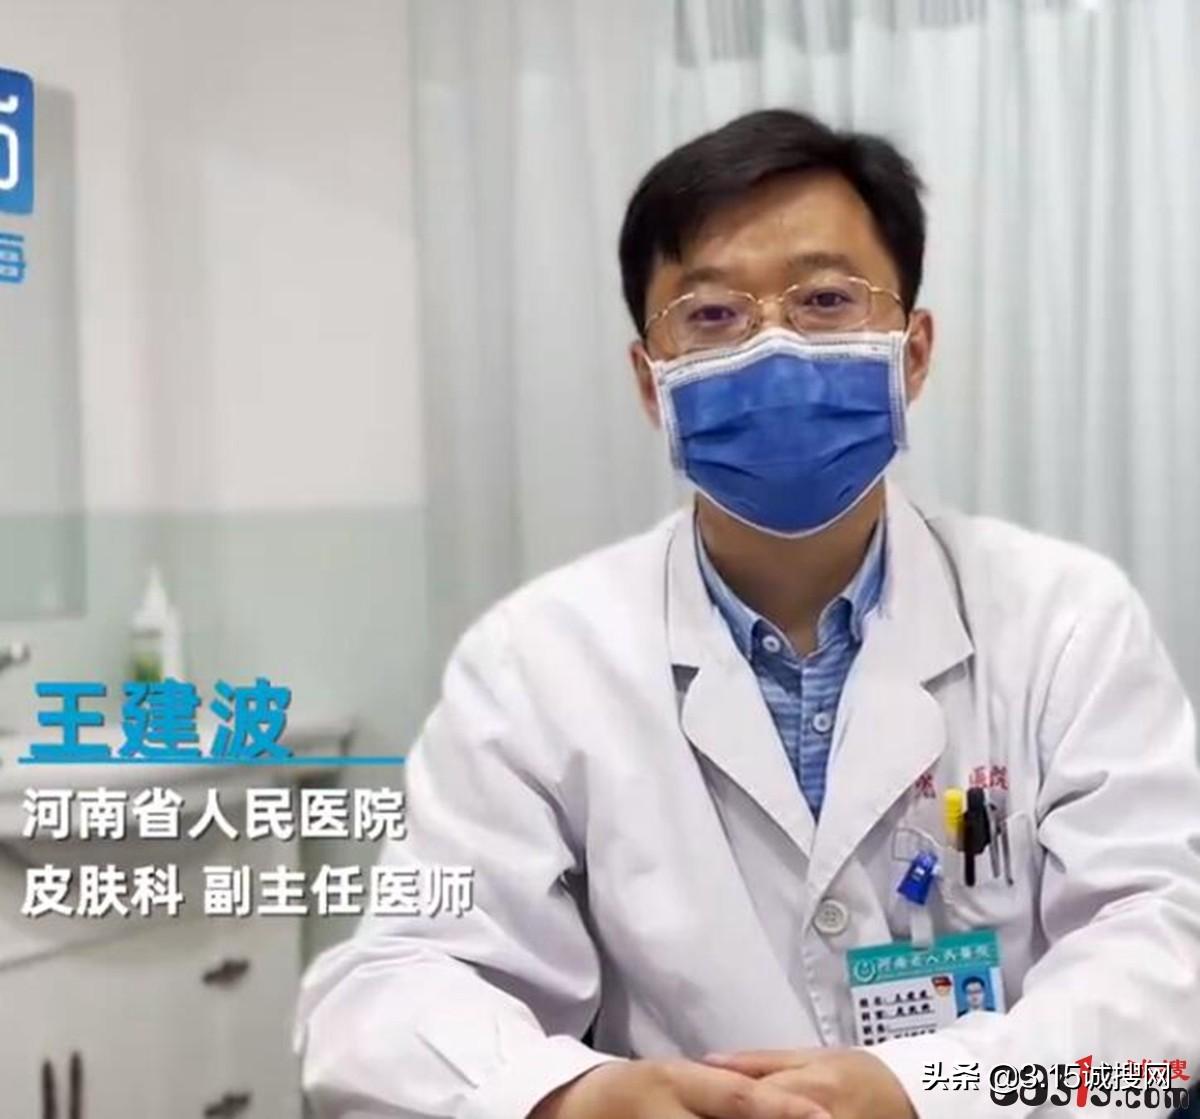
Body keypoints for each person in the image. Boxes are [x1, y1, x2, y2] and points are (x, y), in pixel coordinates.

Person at [294, 109, 1200, 1119]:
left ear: (912, 353)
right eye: (714, 314)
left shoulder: (1066, 623)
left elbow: (1165, 978)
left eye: (825, 300)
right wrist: (571, 1098)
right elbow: (391, 989)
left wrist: (925, 1092)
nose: (775, 349)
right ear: (651, 382)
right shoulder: (535, 662)